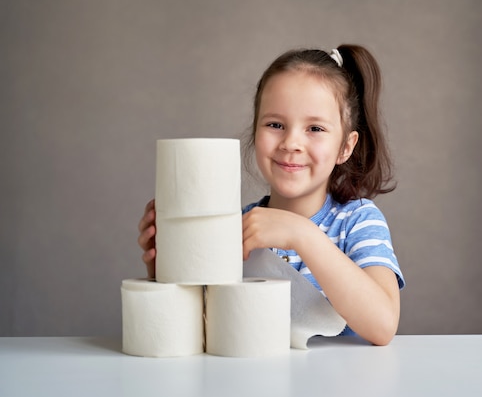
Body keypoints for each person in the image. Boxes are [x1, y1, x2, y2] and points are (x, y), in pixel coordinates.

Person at [137, 44, 405, 345]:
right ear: (255, 130)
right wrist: (168, 267)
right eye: (275, 125)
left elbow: (382, 326)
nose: (291, 142)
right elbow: (205, 330)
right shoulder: (235, 228)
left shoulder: (357, 222)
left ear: (345, 146)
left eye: (315, 128)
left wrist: (301, 234)